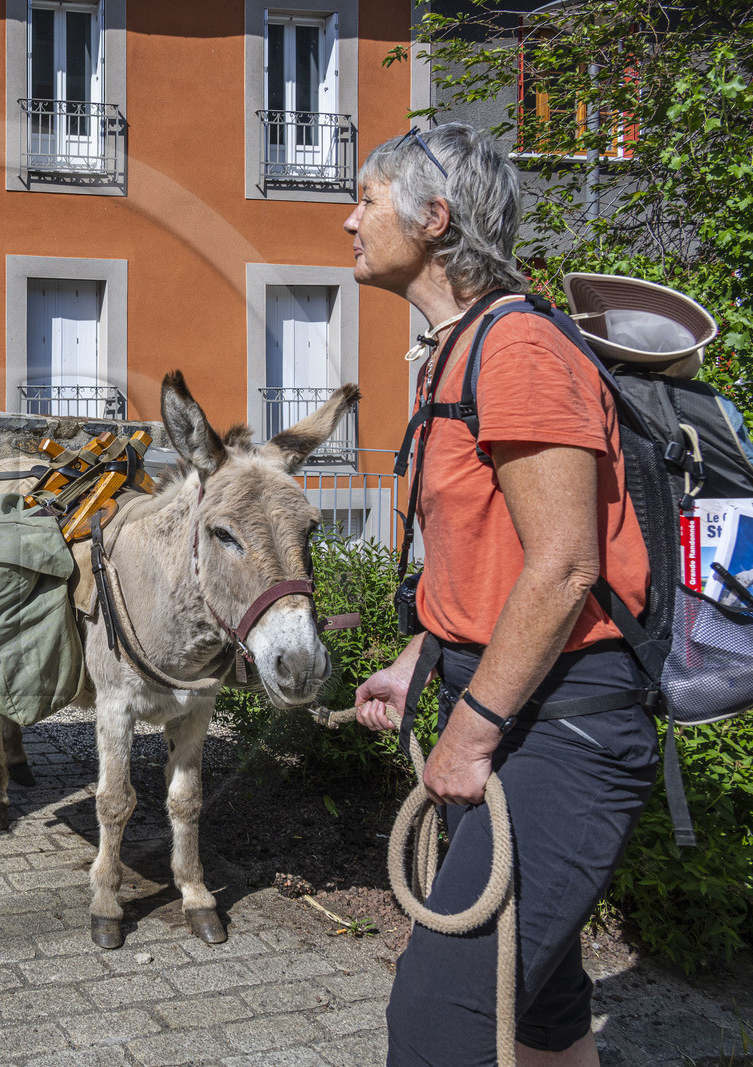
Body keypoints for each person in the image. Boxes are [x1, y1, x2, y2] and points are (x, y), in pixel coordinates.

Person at [344, 125, 658, 1066]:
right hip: (508, 698)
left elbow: (566, 566)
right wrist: (418, 658)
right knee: (542, 1006)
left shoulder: (517, 351)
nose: (347, 220)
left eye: (366, 199)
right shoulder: (457, 348)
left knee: (439, 1019)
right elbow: (485, 554)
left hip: (564, 725)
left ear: (434, 221)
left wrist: (469, 733)